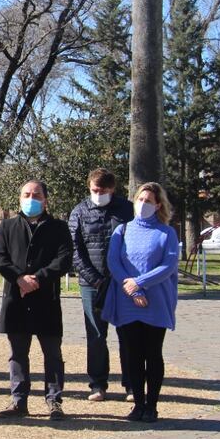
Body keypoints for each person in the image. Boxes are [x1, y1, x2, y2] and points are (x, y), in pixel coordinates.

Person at [0, 180, 73, 421]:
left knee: (52, 353)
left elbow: (64, 258)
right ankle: (19, 401)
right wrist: (18, 278)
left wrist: (37, 278)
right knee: (18, 353)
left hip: (46, 299)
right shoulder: (7, 226)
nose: (31, 198)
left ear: (45, 199)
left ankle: (54, 401)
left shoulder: (58, 227)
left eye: (36, 194)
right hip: (16, 300)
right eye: (26, 194)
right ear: (19, 199)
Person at [103, 182, 179, 423]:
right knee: (132, 354)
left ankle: (152, 405)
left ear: (158, 205)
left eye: (148, 201)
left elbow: (168, 265)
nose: (143, 204)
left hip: (155, 301)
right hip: (127, 301)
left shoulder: (167, 233)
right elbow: (114, 262)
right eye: (140, 199)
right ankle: (137, 403)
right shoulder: (122, 231)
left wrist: (141, 283)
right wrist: (131, 287)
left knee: (153, 353)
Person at [68, 168, 135, 402]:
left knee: (127, 334)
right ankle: (97, 384)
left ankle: (132, 384)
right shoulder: (78, 212)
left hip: (122, 282)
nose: (99, 194)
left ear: (112, 189)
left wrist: (125, 277)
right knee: (96, 335)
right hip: (91, 283)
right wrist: (95, 279)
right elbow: (75, 251)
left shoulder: (127, 209)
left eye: (104, 190)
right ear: (89, 187)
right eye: (95, 190)